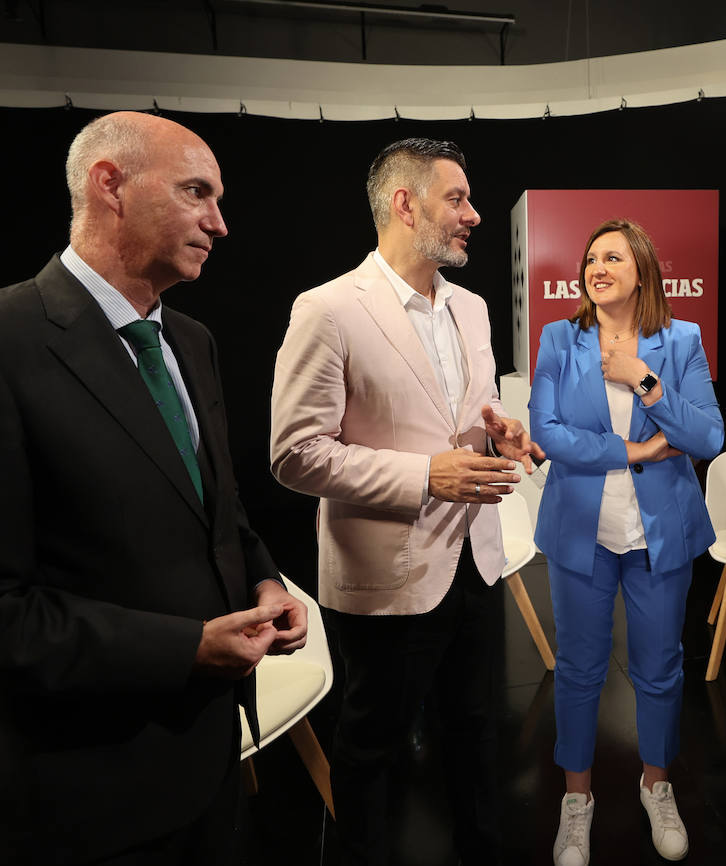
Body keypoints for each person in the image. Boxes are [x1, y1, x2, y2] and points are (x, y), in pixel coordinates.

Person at [0, 111, 308, 866]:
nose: (220, 222)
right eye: (196, 193)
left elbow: (218, 509)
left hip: (209, 768)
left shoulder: (192, 341)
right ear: (108, 185)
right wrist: (186, 649)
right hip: (79, 802)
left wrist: (267, 580)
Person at [269, 137, 541, 866]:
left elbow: (472, 409)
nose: (474, 215)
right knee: (373, 750)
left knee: (476, 732)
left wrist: (500, 431)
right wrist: (426, 475)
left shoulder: (474, 308)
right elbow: (295, 455)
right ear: (403, 202)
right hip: (388, 574)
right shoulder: (326, 309)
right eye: (458, 198)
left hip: (476, 566)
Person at [529, 218, 723, 865]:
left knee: (661, 669)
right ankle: (576, 801)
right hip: (581, 531)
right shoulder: (559, 338)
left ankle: (655, 784)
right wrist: (634, 448)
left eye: (612, 256)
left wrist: (643, 377)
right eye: (590, 258)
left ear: (642, 267)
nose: (596, 266)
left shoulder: (681, 339)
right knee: (579, 671)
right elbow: (549, 435)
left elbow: (708, 437)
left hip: (658, 533)